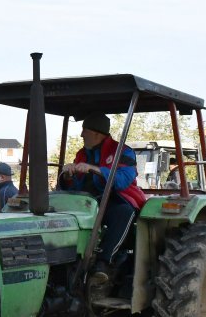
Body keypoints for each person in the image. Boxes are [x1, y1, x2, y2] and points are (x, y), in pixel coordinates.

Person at [59, 113, 146, 285]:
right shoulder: (82, 154)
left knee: (123, 212)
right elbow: (75, 186)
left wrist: (94, 169)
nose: (81, 134)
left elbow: (122, 181)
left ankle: (104, 262)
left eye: (84, 130)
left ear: (97, 133)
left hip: (117, 199)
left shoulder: (123, 152)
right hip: (87, 202)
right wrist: (68, 175)